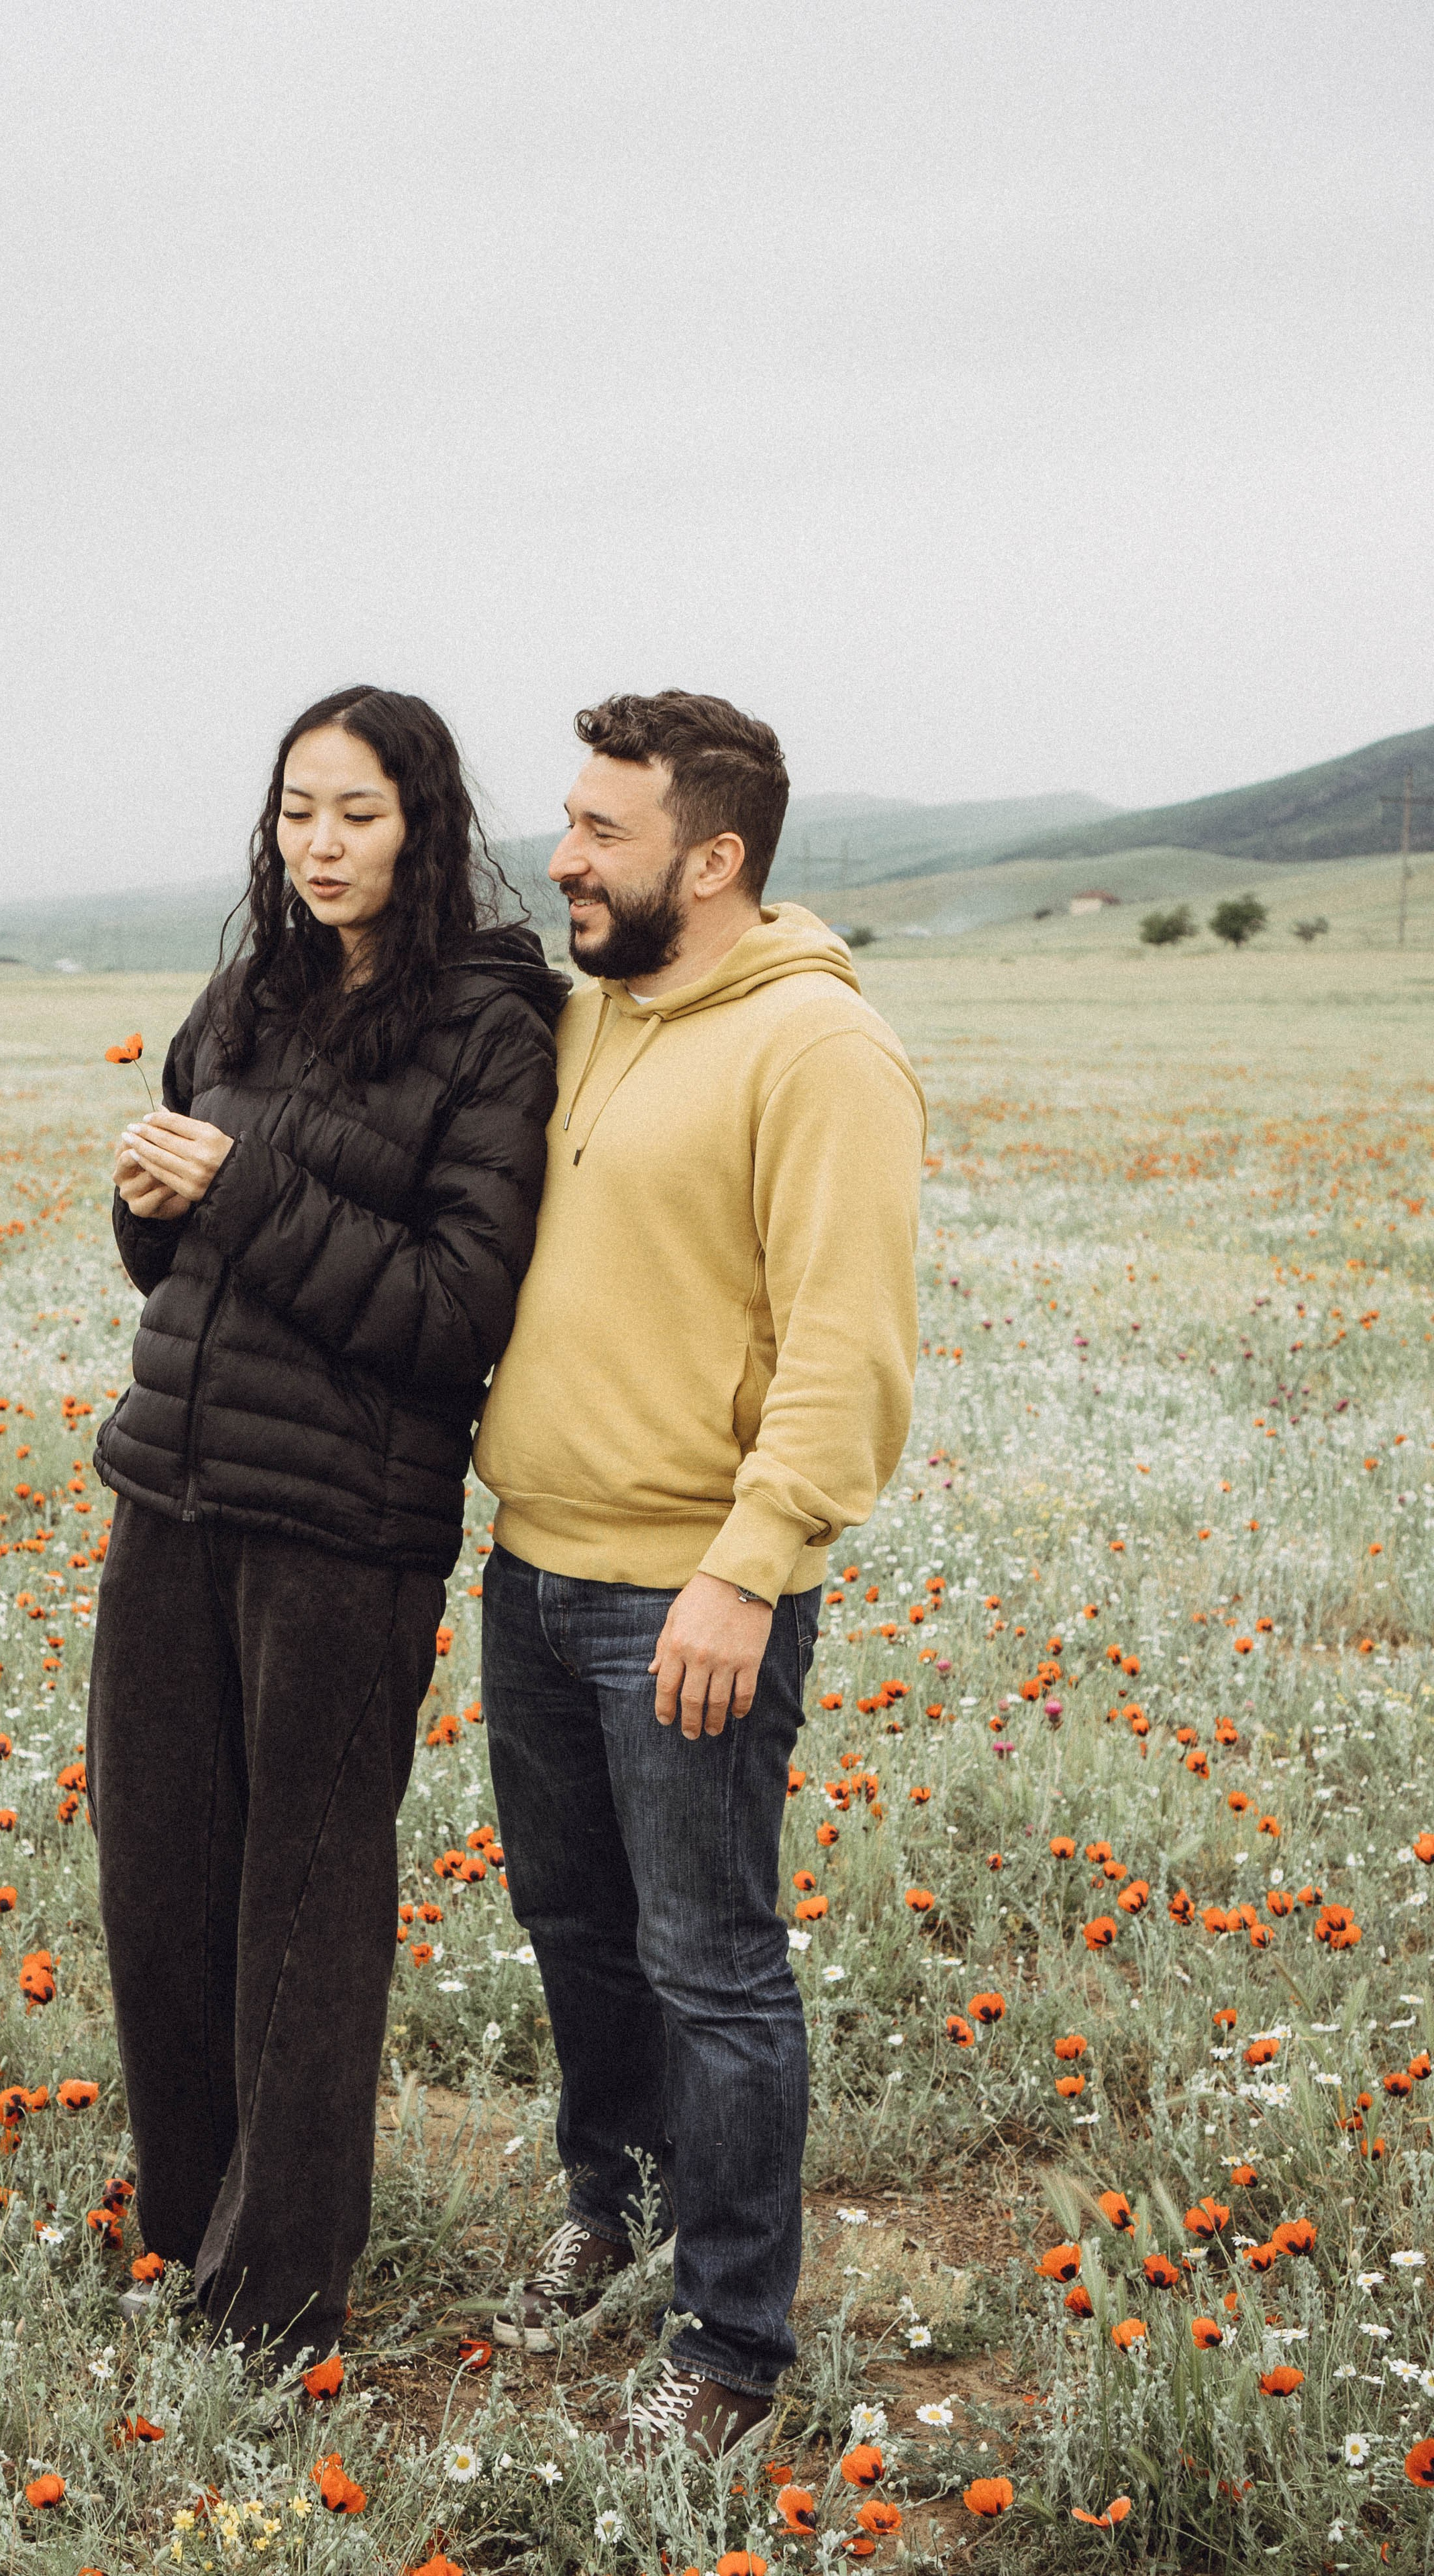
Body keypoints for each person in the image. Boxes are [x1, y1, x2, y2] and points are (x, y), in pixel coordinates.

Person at [87, 684, 567, 2365]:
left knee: (301, 1906)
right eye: (298, 810)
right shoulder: (245, 1001)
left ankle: (278, 2297)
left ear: (422, 827)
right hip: (172, 1490)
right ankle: (187, 2235)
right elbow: (192, 1260)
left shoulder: (495, 1030)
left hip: (343, 1535)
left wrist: (241, 1188)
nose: (319, 843)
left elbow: (452, 1310)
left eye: (356, 813)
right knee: (158, 1882)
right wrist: (154, 1210)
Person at [475, 690, 924, 2453]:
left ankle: (730, 2347)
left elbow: (847, 1347)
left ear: (714, 857)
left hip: (688, 1600)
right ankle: (619, 2206)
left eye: (603, 832)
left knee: (712, 1964)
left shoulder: (819, 1051)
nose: (565, 858)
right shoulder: (596, 1017)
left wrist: (751, 1568)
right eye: (570, 822)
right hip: (529, 1569)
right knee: (580, 1935)